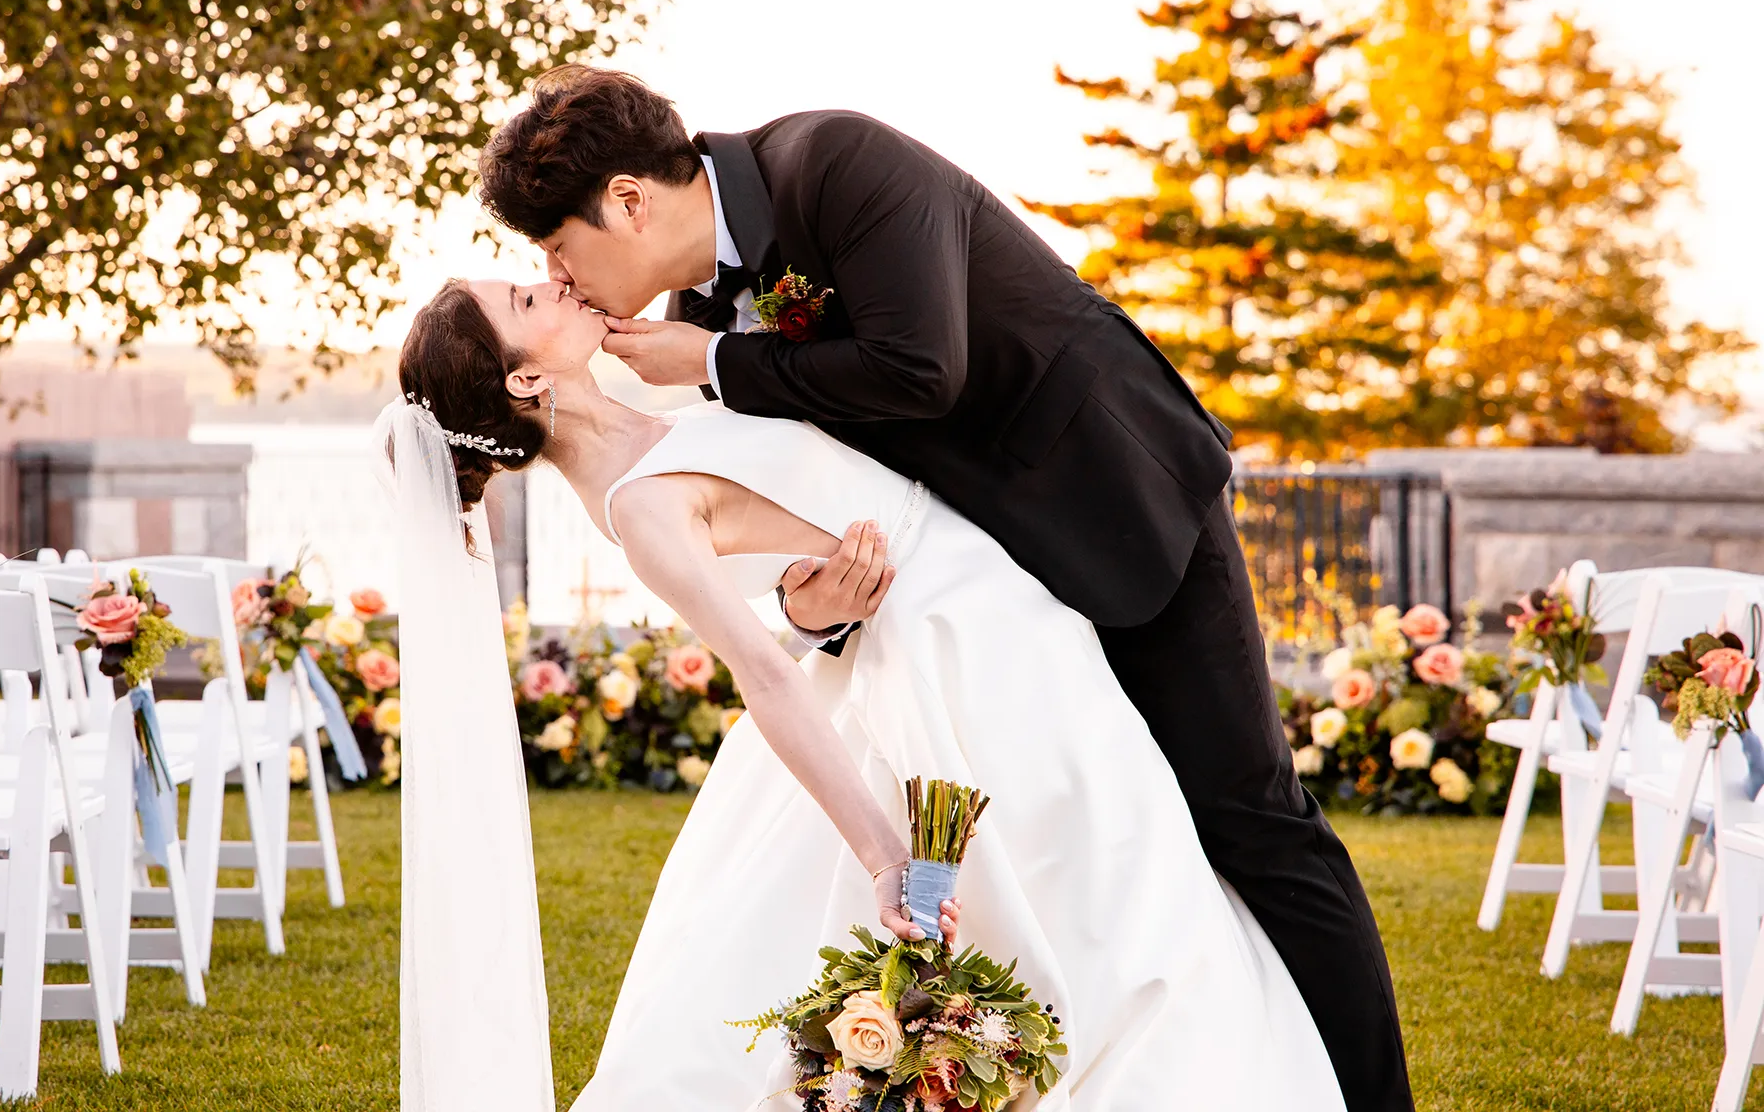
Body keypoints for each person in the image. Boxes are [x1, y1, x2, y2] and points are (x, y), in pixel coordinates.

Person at [473, 66, 1410, 1111]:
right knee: (1108, 859)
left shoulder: (832, 163)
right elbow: (809, 502)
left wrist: (724, 363)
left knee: (1250, 816)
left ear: (629, 202)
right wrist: (807, 608)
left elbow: (923, 367)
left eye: (557, 246)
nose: (560, 275)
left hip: (1120, 504)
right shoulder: (701, 317)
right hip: (991, 603)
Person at [392, 275, 1343, 1108]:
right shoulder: (638, 506)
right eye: (524, 301)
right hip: (959, 645)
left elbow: (799, 553)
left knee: (1120, 856)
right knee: (1110, 868)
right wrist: (887, 856)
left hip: (995, 604)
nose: (551, 284)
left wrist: (812, 611)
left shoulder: (661, 418)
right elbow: (762, 677)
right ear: (524, 379)